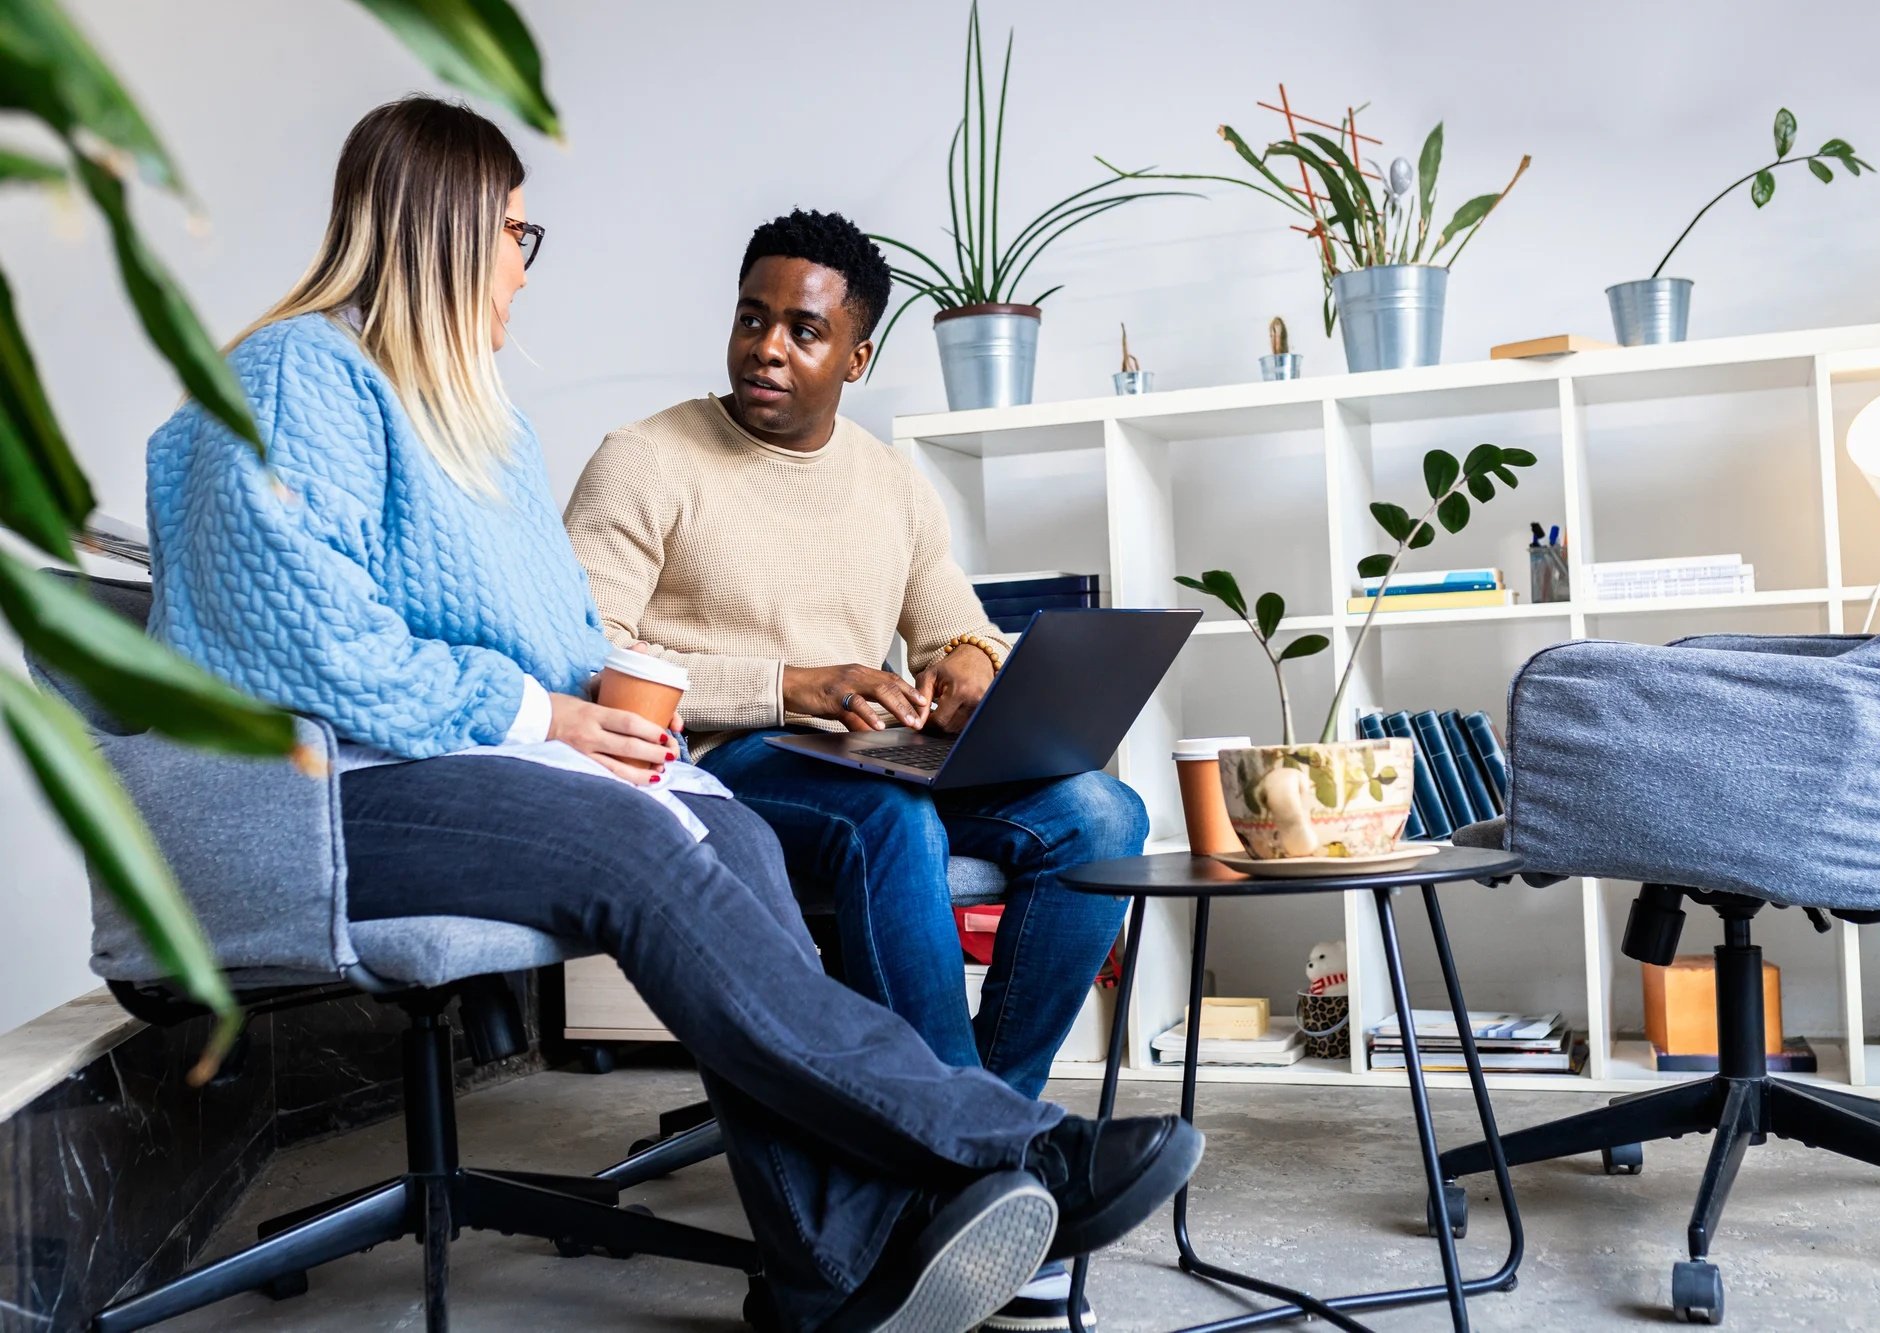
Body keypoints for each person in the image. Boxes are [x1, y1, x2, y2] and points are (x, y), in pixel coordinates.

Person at [144, 96, 1198, 1333]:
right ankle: (1001, 1149)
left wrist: (609, 715)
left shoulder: (474, 422)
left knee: (722, 831)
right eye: (516, 236)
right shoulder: (292, 375)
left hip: (439, 766)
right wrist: (553, 713)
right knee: (649, 840)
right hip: (313, 796)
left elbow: (562, 641)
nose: (521, 270)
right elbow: (316, 641)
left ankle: (829, 1272)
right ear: (448, 231)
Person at [565, 208, 1149, 1330]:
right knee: (893, 827)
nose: (765, 348)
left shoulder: (887, 482)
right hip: (716, 761)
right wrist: (793, 684)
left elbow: (957, 624)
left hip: (865, 756)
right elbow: (586, 657)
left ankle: (983, 1164)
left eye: (802, 330)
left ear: (856, 355)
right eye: (751, 319)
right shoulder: (645, 458)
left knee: (1101, 813)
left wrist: (971, 668)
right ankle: (973, 1170)